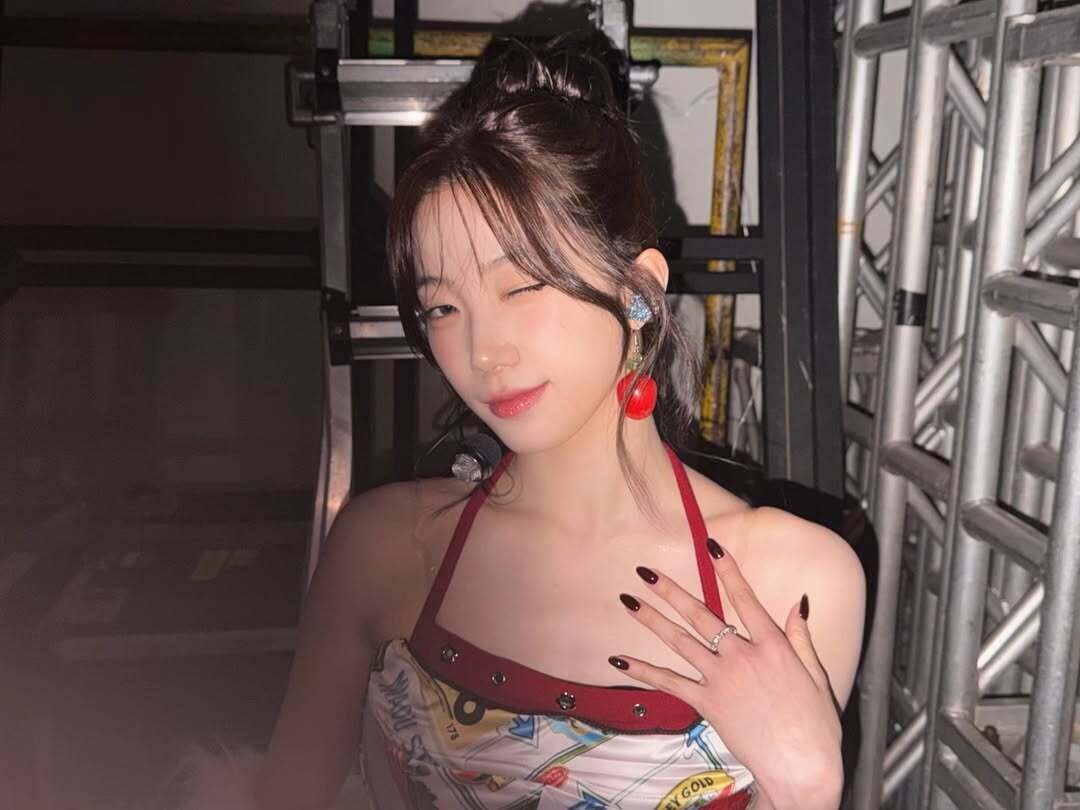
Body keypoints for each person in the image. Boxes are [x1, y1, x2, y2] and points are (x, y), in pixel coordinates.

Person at [255, 28, 864, 810]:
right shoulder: (385, 547)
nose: (483, 350)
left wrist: (810, 785)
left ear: (638, 292)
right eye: (442, 307)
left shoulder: (797, 582)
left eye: (521, 286)